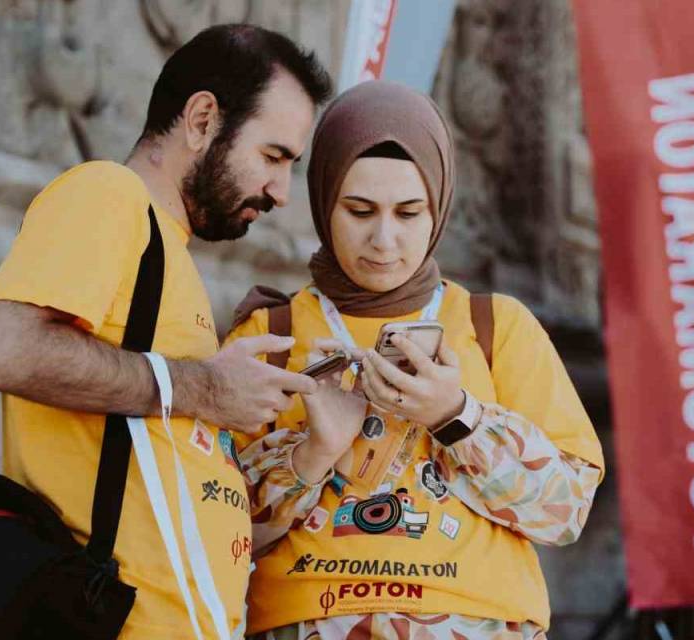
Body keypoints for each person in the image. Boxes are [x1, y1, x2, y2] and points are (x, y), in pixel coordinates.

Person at [0, 24, 331, 638]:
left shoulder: (164, 247)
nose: (281, 193)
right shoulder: (107, 194)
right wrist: (206, 389)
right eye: (273, 157)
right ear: (202, 120)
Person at [226, 80, 606, 639]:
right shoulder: (271, 332)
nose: (384, 239)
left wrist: (456, 416)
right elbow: (217, 528)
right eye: (359, 211)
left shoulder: (495, 325)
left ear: (439, 207)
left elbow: (565, 511)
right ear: (324, 201)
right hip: (308, 618)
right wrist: (313, 451)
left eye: (408, 212)